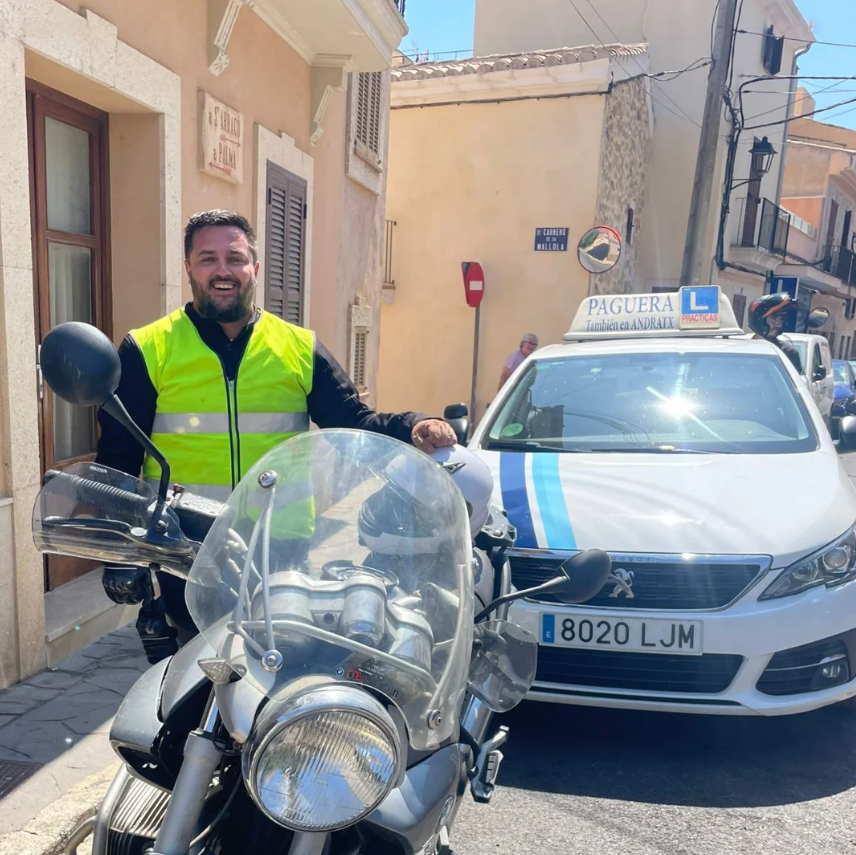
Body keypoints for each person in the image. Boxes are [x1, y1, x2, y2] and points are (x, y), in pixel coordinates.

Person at [96, 209, 456, 659]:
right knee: (191, 681)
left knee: (276, 677)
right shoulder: (148, 348)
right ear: (188, 268)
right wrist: (118, 553)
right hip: (184, 548)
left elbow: (352, 421)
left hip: (279, 549)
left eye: (235, 258)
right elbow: (118, 458)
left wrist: (413, 425)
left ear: (255, 268)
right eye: (208, 259)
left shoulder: (297, 347)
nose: (223, 270)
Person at [747, 293, 802, 373]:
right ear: (760, 321)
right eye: (774, 318)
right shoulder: (741, 350)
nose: (779, 324)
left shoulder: (788, 352)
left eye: (781, 319)